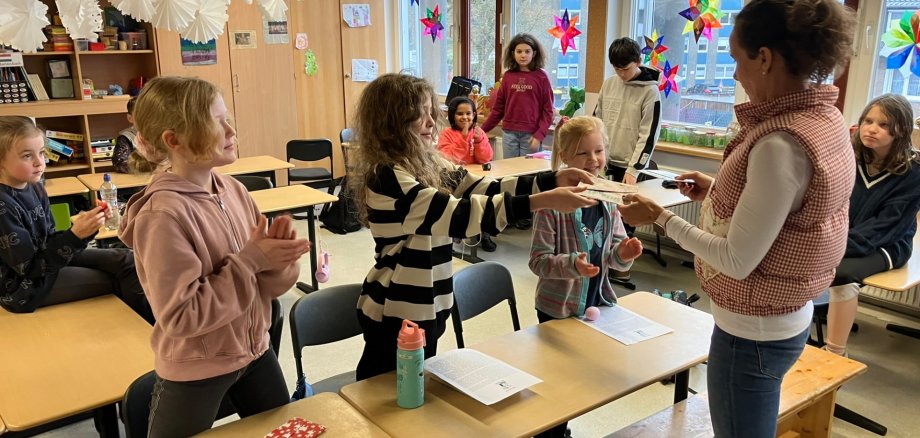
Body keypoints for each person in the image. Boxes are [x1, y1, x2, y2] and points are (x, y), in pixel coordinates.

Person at [616, 1, 856, 436]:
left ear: (763, 58)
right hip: (785, 317)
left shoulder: (780, 142)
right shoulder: (826, 118)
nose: (734, 75)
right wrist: (716, 189)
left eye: (735, 59)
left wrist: (661, 218)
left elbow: (737, 259)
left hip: (753, 334)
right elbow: (789, 211)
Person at [349, 73, 597, 381]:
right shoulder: (386, 176)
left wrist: (552, 179)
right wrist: (540, 201)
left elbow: (486, 188)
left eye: (431, 111)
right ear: (393, 122)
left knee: (413, 390)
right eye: (421, 113)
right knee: (383, 395)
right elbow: (458, 216)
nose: (431, 121)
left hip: (430, 303)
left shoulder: (428, 163)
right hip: (394, 309)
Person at [119, 76, 310, 437]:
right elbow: (180, 317)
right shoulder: (162, 215)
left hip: (253, 352)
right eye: (215, 122)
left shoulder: (233, 189)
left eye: (227, 118)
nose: (230, 130)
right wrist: (253, 260)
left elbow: (264, 288)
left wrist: (280, 264)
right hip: (197, 367)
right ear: (173, 141)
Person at [527, 116, 644, 438]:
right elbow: (538, 262)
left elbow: (614, 256)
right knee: (555, 387)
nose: (593, 161)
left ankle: (561, 430)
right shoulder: (551, 205)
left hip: (595, 304)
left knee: (575, 385)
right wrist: (572, 265)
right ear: (564, 157)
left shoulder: (608, 199)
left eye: (599, 151)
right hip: (556, 310)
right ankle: (550, 432)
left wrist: (626, 253)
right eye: (583, 154)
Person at [0, 116, 152, 323]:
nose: (40, 162)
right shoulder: (4, 205)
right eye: (27, 156)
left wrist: (84, 228)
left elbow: (48, 240)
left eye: (42, 153)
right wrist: (74, 236)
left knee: (128, 260)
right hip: (23, 289)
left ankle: (153, 329)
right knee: (115, 278)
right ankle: (146, 333)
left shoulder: (34, 185)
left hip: (46, 264)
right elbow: (29, 269)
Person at [824, 94, 920, 356]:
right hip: (844, 237)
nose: (872, 129)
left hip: (889, 244)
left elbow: (887, 226)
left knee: (842, 274)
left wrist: (833, 246)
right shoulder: (850, 157)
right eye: (868, 120)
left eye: (884, 125)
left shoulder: (914, 171)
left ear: (901, 130)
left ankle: (835, 354)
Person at [596, 37, 662, 185]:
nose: (621, 74)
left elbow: (649, 135)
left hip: (630, 168)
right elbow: (597, 122)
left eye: (626, 69)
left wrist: (634, 169)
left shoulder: (650, 91)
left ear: (638, 61)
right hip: (605, 163)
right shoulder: (609, 84)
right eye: (617, 69)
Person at [480, 33, 555, 159]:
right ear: (513, 53)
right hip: (509, 133)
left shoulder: (542, 77)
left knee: (527, 174)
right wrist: (482, 130)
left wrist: (539, 135)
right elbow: (498, 109)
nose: (523, 55)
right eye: (519, 51)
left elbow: (548, 111)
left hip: (531, 134)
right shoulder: (508, 76)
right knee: (511, 172)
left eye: (527, 51)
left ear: (534, 53)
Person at [437, 96, 498, 251]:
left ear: (474, 114)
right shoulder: (447, 134)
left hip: (475, 177)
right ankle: (455, 234)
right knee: (457, 203)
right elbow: (449, 158)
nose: (465, 117)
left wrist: (478, 141)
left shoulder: (479, 132)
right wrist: (463, 139)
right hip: (455, 179)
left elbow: (486, 158)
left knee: (487, 198)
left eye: (468, 113)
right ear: (452, 116)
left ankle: (485, 234)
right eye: (460, 114)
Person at [112, 96, 138, 174]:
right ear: (130, 118)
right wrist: (153, 166)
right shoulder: (126, 138)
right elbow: (119, 163)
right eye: (140, 114)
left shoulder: (161, 135)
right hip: (138, 181)